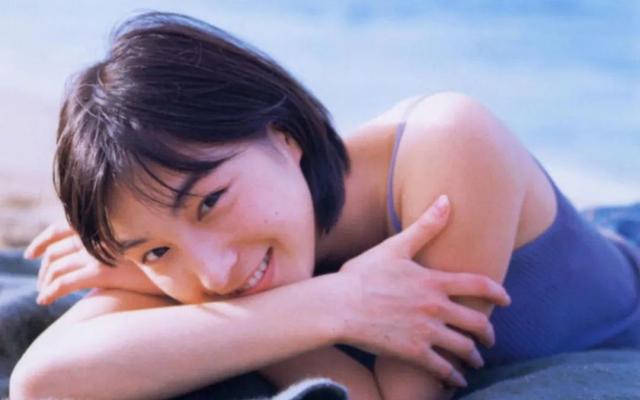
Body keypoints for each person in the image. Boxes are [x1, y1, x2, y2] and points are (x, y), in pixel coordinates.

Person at [10, 11, 640, 400]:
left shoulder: (452, 148)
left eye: (211, 203)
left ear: (284, 136)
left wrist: (251, 319)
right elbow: (45, 382)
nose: (214, 273)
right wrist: (332, 303)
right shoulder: (175, 251)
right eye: (154, 250)